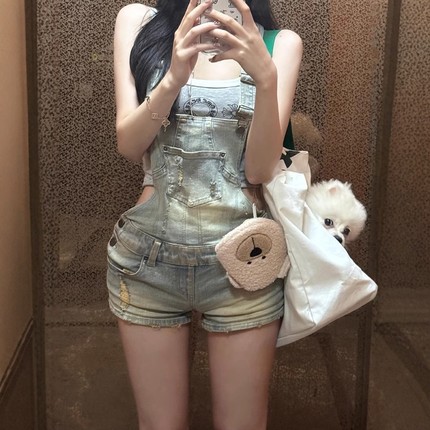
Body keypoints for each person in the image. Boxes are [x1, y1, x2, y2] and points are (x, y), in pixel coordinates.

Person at [107, 0, 302, 428]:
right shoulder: (139, 23)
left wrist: (265, 79)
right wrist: (173, 77)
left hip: (243, 265)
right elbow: (129, 145)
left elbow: (258, 171)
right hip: (148, 262)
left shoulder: (280, 44)